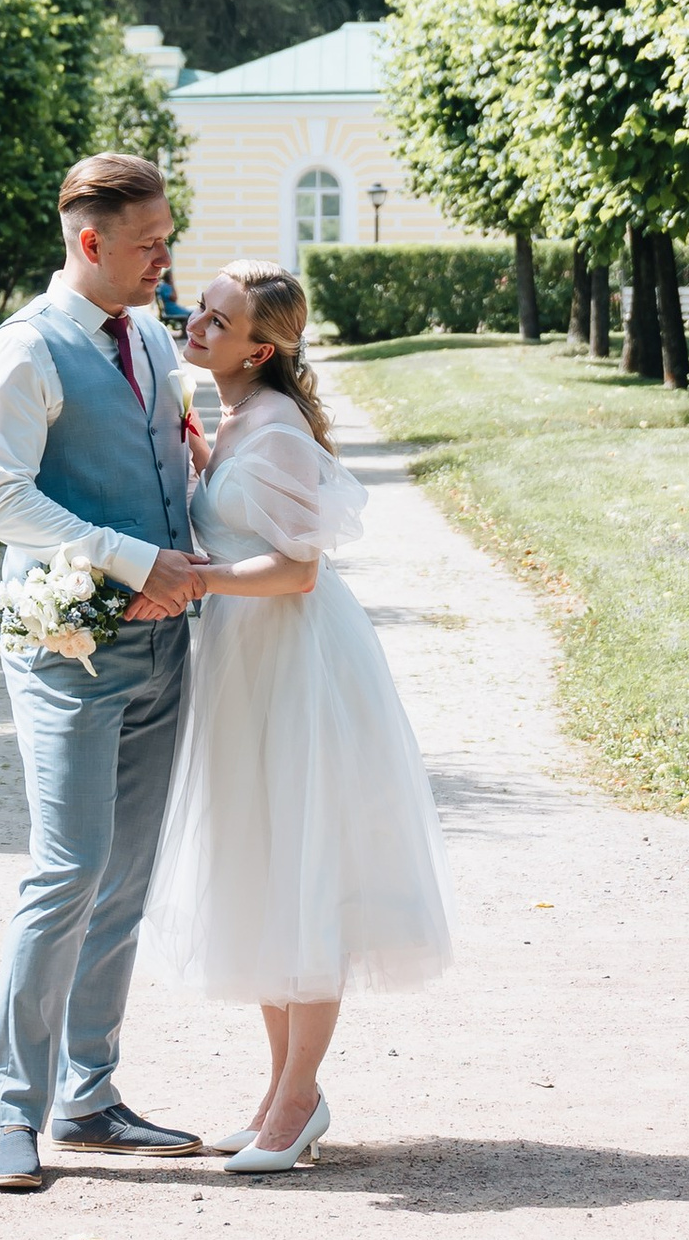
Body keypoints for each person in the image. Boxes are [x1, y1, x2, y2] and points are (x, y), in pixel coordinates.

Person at [142, 259, 457, 1171]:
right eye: (198, 310)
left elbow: (298, 568)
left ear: (263, 347)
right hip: (245, 657)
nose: (195, 325)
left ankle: (293, 1105)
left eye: (217, 319)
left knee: (303, 872)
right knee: (263, 869)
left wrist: (193, 578)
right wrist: (202, 453)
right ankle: (287, 1093)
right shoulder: (243, 419)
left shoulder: (276, 430)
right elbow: (240, 510)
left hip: (294, 660)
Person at [0, 153, 210, 1193]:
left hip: (163, 644)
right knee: (65, 871)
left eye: (168, 236)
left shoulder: (149, 333)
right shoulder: (22, 351)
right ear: (89, 242)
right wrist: (126, 555)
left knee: (125, 881)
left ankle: (91, 1094)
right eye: (149, 241)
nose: (166, 256)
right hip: (67, 651)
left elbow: (158, 459)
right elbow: (1, 501)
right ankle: (12, 1113)